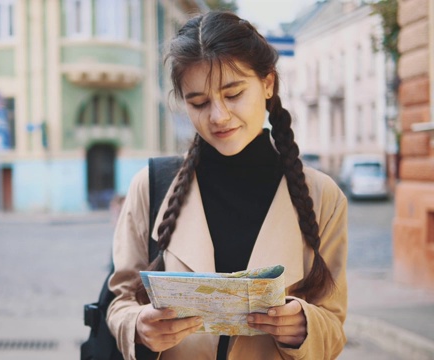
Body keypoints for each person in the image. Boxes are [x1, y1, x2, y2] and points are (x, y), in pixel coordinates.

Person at [106, 10, 348, 360]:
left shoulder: (323, 196)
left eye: (233, 94)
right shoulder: (151, 185)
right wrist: (137, 326)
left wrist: (304, 327)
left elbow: (334, 327)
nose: (218, 116)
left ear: (267, 83)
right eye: (199, 102)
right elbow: (120, 301)